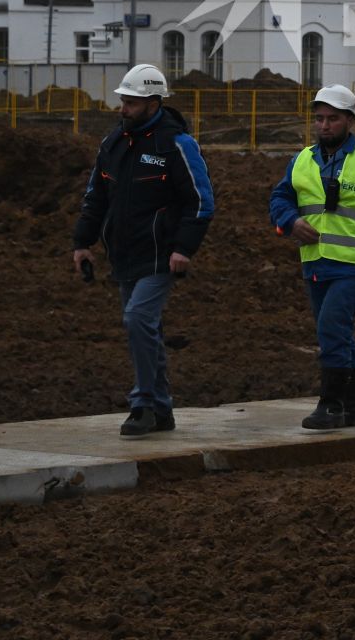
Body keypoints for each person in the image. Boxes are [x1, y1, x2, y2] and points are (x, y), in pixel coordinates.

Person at [72, 63, 215, 438]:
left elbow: (200, 201)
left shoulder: (177, 144)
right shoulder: (113, 143)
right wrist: (82, 243)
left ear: (153, 103)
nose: (123, 109)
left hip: (160, 255)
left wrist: (184, 249)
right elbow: (95, 197)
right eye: (123, 101)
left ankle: (143, 404)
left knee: (138, 320)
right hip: (124, 254)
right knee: (144, 328)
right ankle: (161, 409)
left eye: (131, 103)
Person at [269, 84, 355, 430]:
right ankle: (351, 408)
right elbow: (279, 199)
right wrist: (290, 221)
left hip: (352, 265)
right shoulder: (301, 160)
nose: (324, 125)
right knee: (337, 333)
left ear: (349, 121)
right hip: (315, 263)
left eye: (332, 119)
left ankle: (330, 405)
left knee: (331, 328)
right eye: (319, 119)